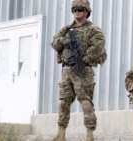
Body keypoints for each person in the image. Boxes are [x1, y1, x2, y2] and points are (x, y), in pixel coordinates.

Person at [51, 0, 106, 140]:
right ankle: (61, 133)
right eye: (74, 9)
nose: (77, 11)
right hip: (67, 70)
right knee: (63, 101)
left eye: (80, 9)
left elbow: (98, 46)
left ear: (87, 11)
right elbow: (54, 43)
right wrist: (64, 41)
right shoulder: (67, 29)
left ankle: (89, 134)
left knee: (86, 100)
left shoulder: (93, 30)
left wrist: (84, 60)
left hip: (83, 70)